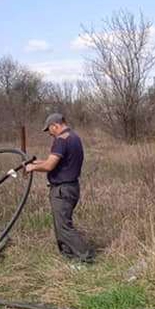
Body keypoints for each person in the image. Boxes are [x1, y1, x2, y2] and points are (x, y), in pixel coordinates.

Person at [24, 112, 95, 263]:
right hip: (71, 187)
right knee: (61, 225)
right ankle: (70, 257)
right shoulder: (74, 137)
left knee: (63, 227)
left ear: (55, 125)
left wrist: (32, 168)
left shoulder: (61, 140)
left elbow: (50, 165)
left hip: (62, 190)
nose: (50, 135)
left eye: (50, 131)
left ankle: (85, 257)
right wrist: (36, 163)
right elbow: (58, 162)